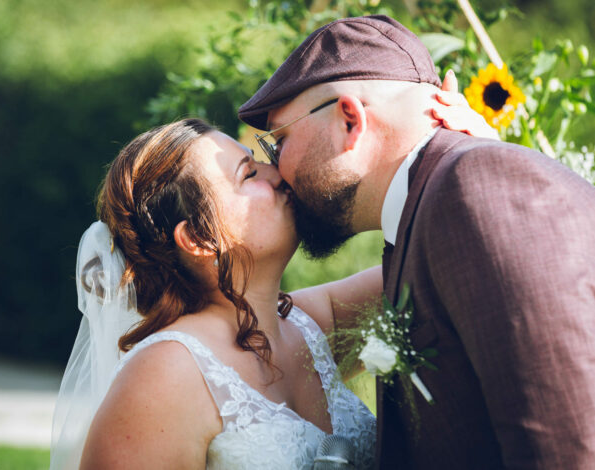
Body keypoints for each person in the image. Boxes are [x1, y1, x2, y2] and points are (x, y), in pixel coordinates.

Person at [49, 82, 490, 468]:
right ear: (200, 238)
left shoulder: (311, 327)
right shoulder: (164, 375)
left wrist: (472, 156)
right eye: (248, 173)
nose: (278, 173)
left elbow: (434, 256)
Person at [238, 14, 595, 470]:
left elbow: (566, 442)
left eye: (278, 142)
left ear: (349, 120)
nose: (277, 171)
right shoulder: (432, 209)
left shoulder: (475, 185)